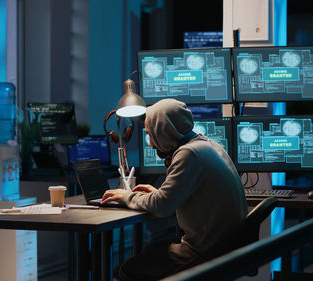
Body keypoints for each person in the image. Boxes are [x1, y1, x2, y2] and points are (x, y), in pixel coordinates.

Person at [102, 98, 248, 280]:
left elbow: (162, 207)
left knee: (129, 269)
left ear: (164, 130)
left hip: (207, 251)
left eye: (150, 134)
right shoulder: (209, 145)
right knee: (151, 250)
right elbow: (176, 197)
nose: (150, 143)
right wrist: (157, 194)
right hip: (227, 246)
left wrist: (126, 196)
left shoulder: (189, 154)